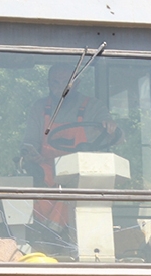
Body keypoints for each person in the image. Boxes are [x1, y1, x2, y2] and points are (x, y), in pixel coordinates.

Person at [20, 63, 118, 236]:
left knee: (79, 187)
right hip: (46, 173)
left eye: (65, 83)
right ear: (48, 83)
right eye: (55, 82)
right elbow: (30, 142)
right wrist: (31, 154)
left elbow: (113, 131)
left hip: (81, 174)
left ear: (77, 84)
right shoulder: (39, 108)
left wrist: (110, 127)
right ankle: (40, 234)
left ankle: (54, 235)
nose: (60, 88)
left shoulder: (94, 107)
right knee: (30, 182)